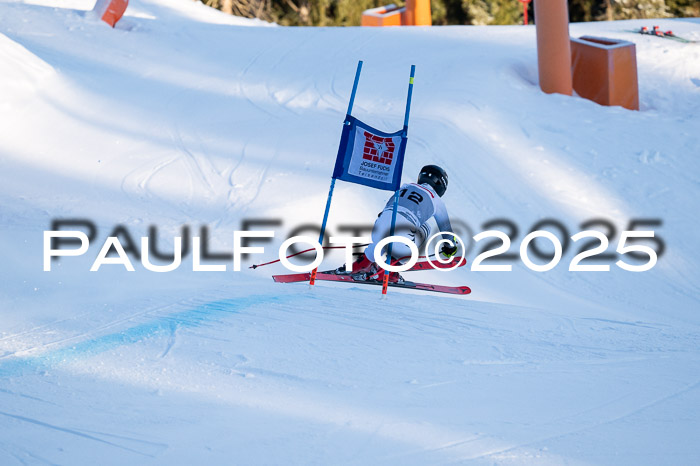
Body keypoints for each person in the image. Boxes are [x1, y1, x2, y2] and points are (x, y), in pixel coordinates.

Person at [339, 165, 458, 282]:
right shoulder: (436, 200)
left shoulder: (405, 186)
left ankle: (362, 263)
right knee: (426, 227)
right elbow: (446, 229)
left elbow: (384, 212)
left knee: (386, 227)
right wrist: (450, 247)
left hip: (377, 232)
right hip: (402, 241)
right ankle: (389, 270)